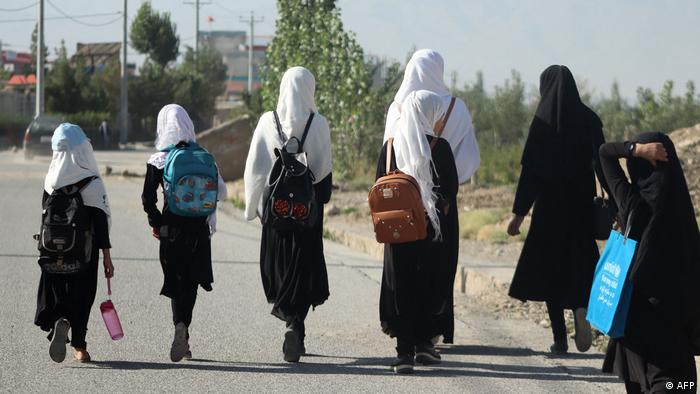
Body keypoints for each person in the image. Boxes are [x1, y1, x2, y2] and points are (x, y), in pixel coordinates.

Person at [506, 65, 610, 354]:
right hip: (580, 209)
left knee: (551, 270)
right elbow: (603, 164)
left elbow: (531, 174)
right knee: (580, 263)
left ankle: (559, 339)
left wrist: (518, 214)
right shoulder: (589, 119)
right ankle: (580, 307)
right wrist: (616, 202)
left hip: (549, 211)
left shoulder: (543, 122)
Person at [384, 49, 480, 346]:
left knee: (401, 266)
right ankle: (432, 330)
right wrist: (441, 183)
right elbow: (468, 158)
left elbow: (388, 157)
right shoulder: (456, 108)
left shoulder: (397, 107)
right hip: (442, 205)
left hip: (401, 204)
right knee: (438, 265)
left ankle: (402, 330)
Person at [244, 67, 333, 363]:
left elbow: (255, 169)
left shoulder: (267, 121)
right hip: (307, 215)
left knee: (282, 270)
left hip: (277, 215)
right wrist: (317, 205)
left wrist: (254, 208)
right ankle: (296, 326)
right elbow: (323, 177)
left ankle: (292, 326)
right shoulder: (318, 123)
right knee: (304, 271)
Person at [599, 133, 700, 394]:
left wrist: (634, 149)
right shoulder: (684, 217)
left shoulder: (633, 201)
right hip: (674, 330)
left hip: (633, 322)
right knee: (679, 383)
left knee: (639, 383)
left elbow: (604, 153)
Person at [377, 90, 459, 374]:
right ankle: (425, 344)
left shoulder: (389, 148)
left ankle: (403, 354)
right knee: (429, 282)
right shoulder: (442, 147)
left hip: (398, 232)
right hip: (431, 232)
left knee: (401, 285)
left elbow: (379, 183)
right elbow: (451, 191)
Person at [141, 104, 227, 362]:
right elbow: (221, 193)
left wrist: (156, 223)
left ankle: (179, 327)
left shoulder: (159, 159)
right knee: (191, 284)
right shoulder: (203, 155)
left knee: (177, 281)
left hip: (172, 229)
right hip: (199, 229)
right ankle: (184, 329)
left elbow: (147, 198)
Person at [35, 123, 114, 363]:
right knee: (82, 296)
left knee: (57, 289)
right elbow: (101, 227)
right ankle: (79, 346)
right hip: (84, 254)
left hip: (52, 251)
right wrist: (107, 259)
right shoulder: (91, 183)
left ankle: (59, 320)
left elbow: (43, 217)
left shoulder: (51, 181)